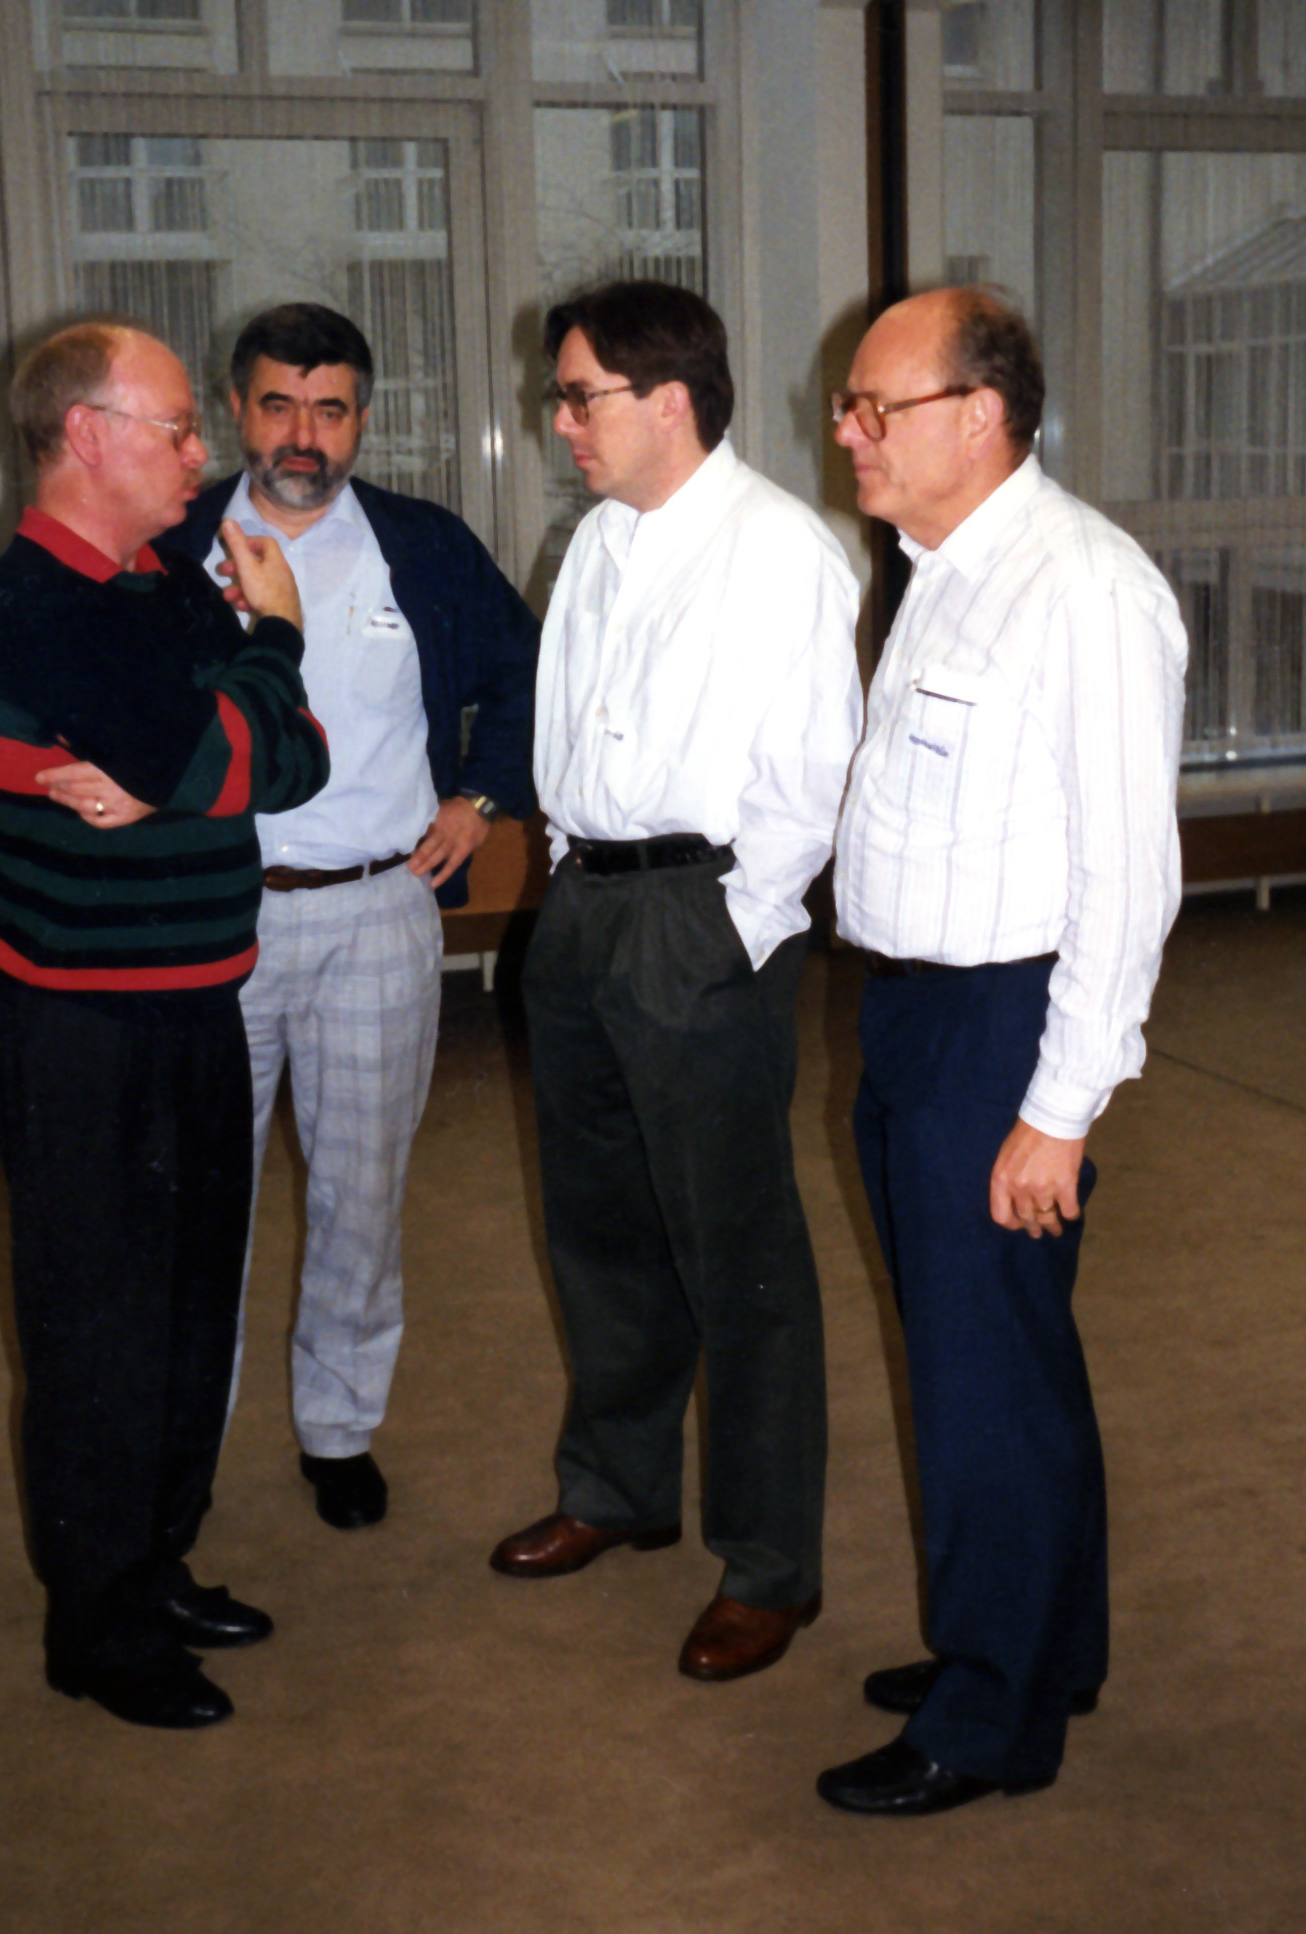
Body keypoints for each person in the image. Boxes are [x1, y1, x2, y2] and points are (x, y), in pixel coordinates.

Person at [819, 287, 1186, 1815]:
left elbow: (1128, 873)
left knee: (981, 1378)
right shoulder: (937, 570)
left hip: (1000, 1025)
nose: (846, 429)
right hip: (911, 1011)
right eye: (849, 404)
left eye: (873, 406)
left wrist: (1058, 1104)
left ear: (977, 416)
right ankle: (1042, 1645)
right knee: (993, 1358)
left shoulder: (1079, 587)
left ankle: (987, 1717)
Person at [488, 280, 862, 1683]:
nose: (560, 421)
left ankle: (768, 1566)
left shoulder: (777, 547)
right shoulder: (593, 540)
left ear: (668, 399)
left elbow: (810, 771)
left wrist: (731, 927)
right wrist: (565, 876)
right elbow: (566, 728)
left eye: (578, 395)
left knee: (737, 1254)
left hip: (697, 916)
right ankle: (616, 1487)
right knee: (597, 1226)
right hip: (584, 903)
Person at [0, 321, 330, 1730]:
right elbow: (221, 751)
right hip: (77, 1025)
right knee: (99, 1330)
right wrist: (274, 640)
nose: (201, 451)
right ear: (86, 435)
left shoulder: (161, 574)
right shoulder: (32, 602)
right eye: (176, 426)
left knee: (184, 1311)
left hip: (189, 999)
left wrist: (201, 754)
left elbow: (289, 762)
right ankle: (97, 1628)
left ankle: (155, 1562)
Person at [161, 303, 537, 1531]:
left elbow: (525, 671)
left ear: (361, 419)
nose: (303, 434)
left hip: (378, 911)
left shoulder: (418, 546)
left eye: (329, 410)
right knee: (197, 1201)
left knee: (360, 1196)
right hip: (210, 922)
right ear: (237, 409)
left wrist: (482, 796)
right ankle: (182, 1445)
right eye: (278, 404)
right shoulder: (171, 543)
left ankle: (338, 1427)